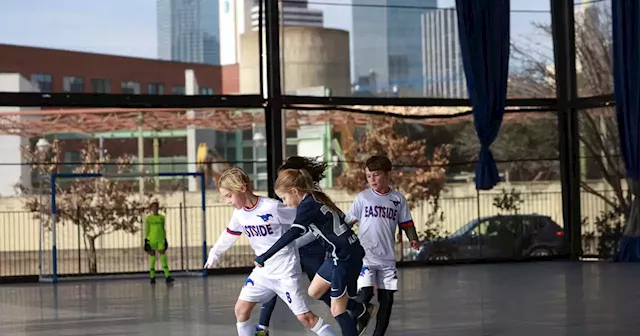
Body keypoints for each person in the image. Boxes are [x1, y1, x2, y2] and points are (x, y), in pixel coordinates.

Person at [203, 167, 337, 336]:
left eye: (229, 196)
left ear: (243, 188)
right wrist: (215, 253)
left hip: (285, 271)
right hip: (262, 271)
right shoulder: (239, 215)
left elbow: (305, 220)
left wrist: (300, 242)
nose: (227, 201)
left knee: (305, 318)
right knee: (241, 309)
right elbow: (229, 234)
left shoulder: (273, 207)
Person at [254, 168, 376, 336]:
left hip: (343, 257)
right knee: (315, 291)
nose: (285, 202)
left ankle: (356, 316)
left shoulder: (306, 206)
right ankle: (360, 309)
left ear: (295, 191)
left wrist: (265, 255)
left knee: (337, 310)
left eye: (284, 198)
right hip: (340, 253)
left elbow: (293, 233)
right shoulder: (316, 197)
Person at [255, 157, 332, 336]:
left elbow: (309, 231)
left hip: (311, 250)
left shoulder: (310, 200)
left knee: (319, 290)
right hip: (294, 249)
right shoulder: (289, 202)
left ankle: (352, 309)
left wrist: (290, 244)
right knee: (272, 281)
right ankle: (262, 327)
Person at [349, 155, 419, 335]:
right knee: (365, 293)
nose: (372, 179)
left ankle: (378, 333)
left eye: (376, 175)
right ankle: (358, 318)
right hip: (365, 256)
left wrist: (413, 238)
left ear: (388, 175)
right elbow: (348, 221)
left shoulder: (398, 199)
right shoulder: (363, 198)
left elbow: (406, 223)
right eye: (368, 175)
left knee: (387, 299)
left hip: (387, 258)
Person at [144, 201, 174, 284]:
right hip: (152, 239)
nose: (155, 209)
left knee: (163, 256)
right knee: (152, 257)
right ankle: (152, 276)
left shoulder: (162, 217)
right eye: (153, 207)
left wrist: (165, 238)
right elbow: (147, 229)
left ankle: (167, 276)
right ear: (151, 209)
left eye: (156, 207)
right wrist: (146, 240)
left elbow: (163, 228)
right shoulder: (149, 218)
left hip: (160, 239)